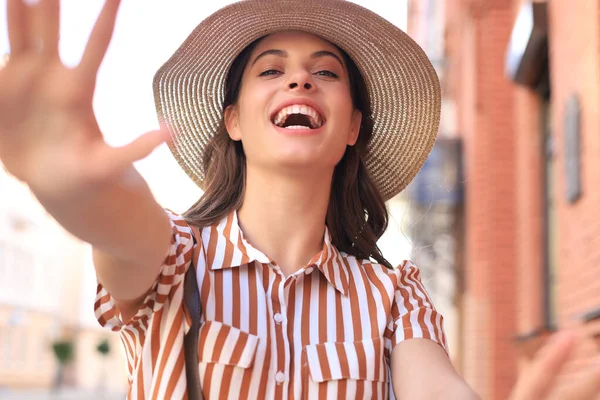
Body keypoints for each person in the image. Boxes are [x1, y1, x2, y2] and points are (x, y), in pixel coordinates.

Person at [1, 0, 599, 399]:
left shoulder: (393, 294)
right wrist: (77, 189)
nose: (299, 80)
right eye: (271, 69)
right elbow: (121, 223)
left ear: (351, 127)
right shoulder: (175, 257)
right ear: (233, 120)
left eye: (326, 71)